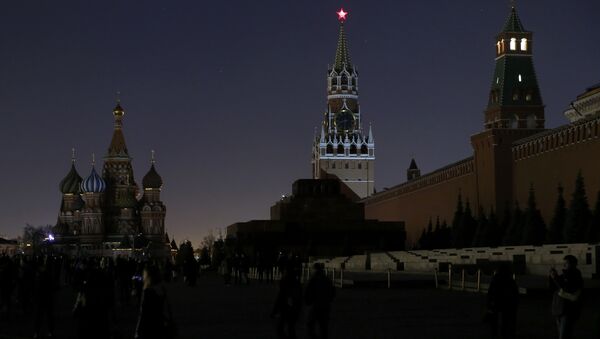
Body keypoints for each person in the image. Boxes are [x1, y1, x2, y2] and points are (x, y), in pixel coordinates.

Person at [135, 265, 175, 339]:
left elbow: (142, 313)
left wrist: (137, 330)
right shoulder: (162, 288)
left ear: (147, 276)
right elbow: (167, 307)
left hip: (149, 325)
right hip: (160, 323)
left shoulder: (147, 291)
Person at [549, 255, 584, 339]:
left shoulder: (576, 276)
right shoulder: (564, 275)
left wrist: (555, 278)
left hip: (568, 311)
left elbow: (566, 289)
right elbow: (553, 288)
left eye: (566, 263)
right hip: (560, 309)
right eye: (563, 263)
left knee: (564, 335)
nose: (564, 265)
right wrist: (552, 277)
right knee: (564, 334)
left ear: (574, 264)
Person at [486, 264, 519, 339]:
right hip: (507, 302)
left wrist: (489, 304)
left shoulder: (495, 279)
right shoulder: (510, 280)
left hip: (496, 302)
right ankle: (504, 333)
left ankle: (494, 333)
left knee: (495, 320)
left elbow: (490, 292)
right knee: (506, 320)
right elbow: (515, 293)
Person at [305, 263, 335, 339]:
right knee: (323, 327)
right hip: (325, 305)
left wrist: (308, 301)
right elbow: (332, 292)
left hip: (315, 305)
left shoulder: (313, 279)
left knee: (310, 324)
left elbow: (307, 292)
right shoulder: (327, 279)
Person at [272, 269, 302, 339]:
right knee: (290, 327)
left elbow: (280, 297)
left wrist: (274, 311)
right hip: (294, 309)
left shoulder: (284, 282)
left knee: (281, 328)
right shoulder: (297, 283)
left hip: (285, 308)